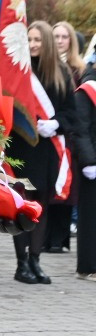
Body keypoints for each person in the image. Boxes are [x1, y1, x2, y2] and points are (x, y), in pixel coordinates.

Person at [6, 20, 76, 284]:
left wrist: (56, 123)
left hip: (47, 150)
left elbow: (71, 112)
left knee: (41, 206)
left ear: (46, 43)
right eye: (30, 40)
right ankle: (21, 264)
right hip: (22, 149)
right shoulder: (18, 72)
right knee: (21, 205)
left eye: (37, 40)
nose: (33, 45)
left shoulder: (61, 73)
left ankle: (36, 260)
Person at [44, 20, 86, 253]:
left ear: (71, 41)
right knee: (47, 186)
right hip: (46, 133)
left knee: (66, 188)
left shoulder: (78, 70)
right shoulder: (42, 67)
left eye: (64, 37)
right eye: (56, 36)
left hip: (68, 136)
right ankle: (44, 237)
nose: (60, 41)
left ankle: (59, 238)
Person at [72, 60, 96, 281]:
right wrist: (89, 161)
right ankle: (89, 265)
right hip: (93, 163)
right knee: (91, 217)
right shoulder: (87, 91)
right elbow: (80, 129)